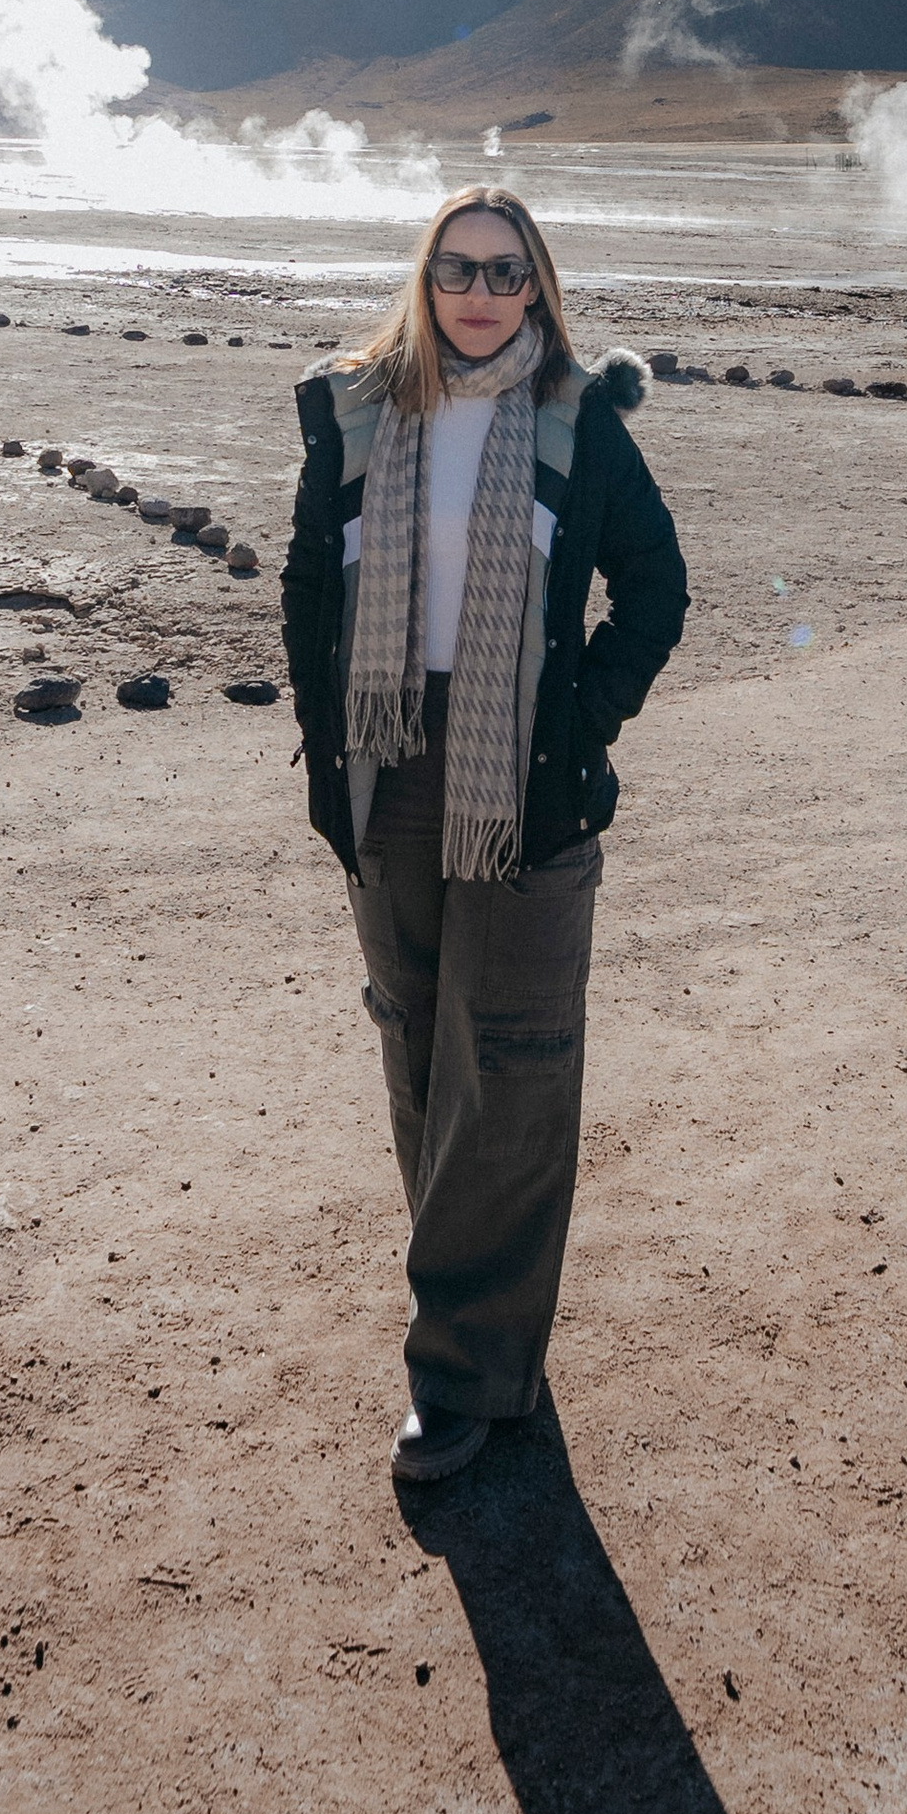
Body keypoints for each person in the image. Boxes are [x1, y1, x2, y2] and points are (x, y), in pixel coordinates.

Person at [283, 184, 688, 1483]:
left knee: (505, 1067)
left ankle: (465, 1374)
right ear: (426, 274)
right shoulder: (353, 411)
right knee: (416, 1051)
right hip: (390, 762)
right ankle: (486, 1321)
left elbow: (656, 591)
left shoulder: (576, 421)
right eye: (457, 267)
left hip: (527, 778)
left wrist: (583, 718)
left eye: (506, 272)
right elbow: (306, 587)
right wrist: (323, 742)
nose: (478, 291)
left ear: (538, 287)